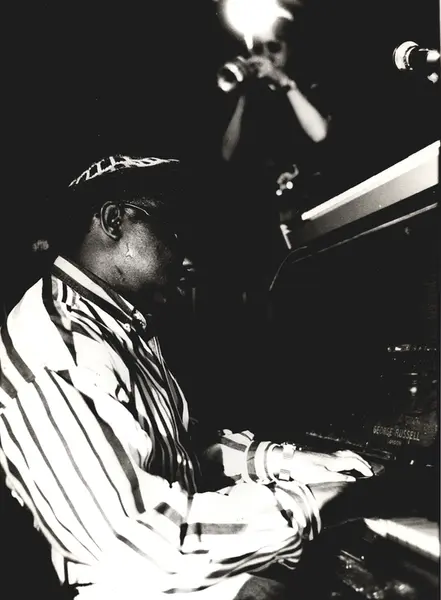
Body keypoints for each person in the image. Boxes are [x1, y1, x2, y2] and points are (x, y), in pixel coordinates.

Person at [0, 155, 374, 600]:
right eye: (174, 231)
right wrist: (314, 501)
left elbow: (173, 450)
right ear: (114, 221)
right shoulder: (62, 350)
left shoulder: (115, 322)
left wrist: (287, 462)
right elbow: (142, 543)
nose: (188, 257)